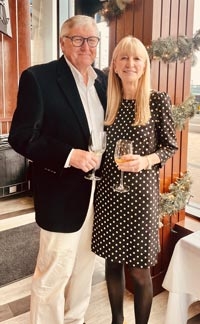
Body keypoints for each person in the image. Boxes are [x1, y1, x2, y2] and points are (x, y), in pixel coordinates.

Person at [8, 15, 107, 324]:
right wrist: (68, 155)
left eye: (92, 40)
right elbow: (22, 136)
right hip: (61, 193)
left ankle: (76, 319)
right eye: (77, 39)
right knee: (54, 271)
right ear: (63, 42)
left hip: (99, 190)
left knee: (84, 266)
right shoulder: (39, 77)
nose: (85, 46)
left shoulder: (103, 81)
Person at [91, 35, 178, 324]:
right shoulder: (106, 102)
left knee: (140, 270)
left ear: (144, 65)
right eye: (124, 58)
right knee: (112, 261)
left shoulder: (157, 100)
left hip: (141, 197)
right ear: (114, 65)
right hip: (109, 193)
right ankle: (117, 320)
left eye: (136, 58)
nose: (130, 63)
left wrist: (145, 161)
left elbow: (169, 147)